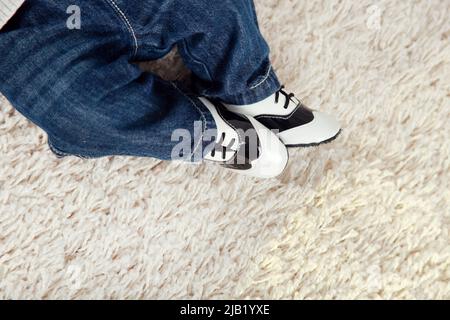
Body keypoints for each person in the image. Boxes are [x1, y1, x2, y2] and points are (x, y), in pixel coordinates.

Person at [0, 0, 341, 178]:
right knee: (70, 105)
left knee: (212, 8)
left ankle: (248, 87)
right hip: (23, 33)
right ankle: (205, 130)